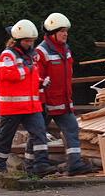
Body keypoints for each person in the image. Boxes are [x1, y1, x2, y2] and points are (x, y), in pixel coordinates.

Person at [0, 20, 55, 176]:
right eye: (27, 41)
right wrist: (27, 70)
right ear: (17, 40)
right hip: (12, 107)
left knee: (40, 133)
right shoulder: (7, 55)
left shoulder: (28, 56)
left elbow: (28, 78)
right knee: (6, 138)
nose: (30, 44)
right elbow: (7, 74)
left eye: (32, 41)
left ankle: (40, 165)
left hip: (31, 106)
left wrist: (40, 84)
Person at [33, 12, 93, 175]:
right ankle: (33, 164)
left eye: (66, 31)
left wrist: (69, 100)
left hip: (63, 101)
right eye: (62, 31)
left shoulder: (65, 50)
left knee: (72, 128)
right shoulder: (41, 52)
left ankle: (75, 164)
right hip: (47, 102)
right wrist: (42, 103)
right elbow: (37, 79)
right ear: (52, 33)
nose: (65, 34)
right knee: (37, 133)